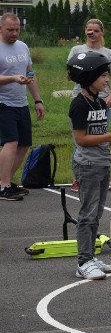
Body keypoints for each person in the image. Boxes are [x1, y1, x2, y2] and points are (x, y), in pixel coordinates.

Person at [67, 51, 111, 279]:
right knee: (88, 214)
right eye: (102, 76)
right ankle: (83, 262)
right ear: (89, 77)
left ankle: (91, 256)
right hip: (87, 164)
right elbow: (81, 139)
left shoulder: (99, 102)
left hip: (103, 162)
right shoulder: (79, 105)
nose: (107, 80)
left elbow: (101, 133)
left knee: (97, 212)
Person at [67, 19, 111, 191]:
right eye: (89, 30)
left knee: (100, 138)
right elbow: (69, 75)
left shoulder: (108, 53)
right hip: (83, 99)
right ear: (85, 31)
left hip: (102, 101)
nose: (92, 33)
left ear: (101, 33)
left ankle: (101, 176)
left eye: (96, 30)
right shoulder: (77, 50)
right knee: (80, 141)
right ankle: (78, 177)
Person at [0, 12, 45, 201]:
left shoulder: (23, 47)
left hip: (21, 103)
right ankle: (3, 187)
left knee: (24, 144)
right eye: (10, 29)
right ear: (1, 28)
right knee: (11, 142)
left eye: (17, 29)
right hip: (3, 103)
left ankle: (6, 180)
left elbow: (30, 74)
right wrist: (12, 78)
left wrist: (38, 100)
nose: (14, 33)